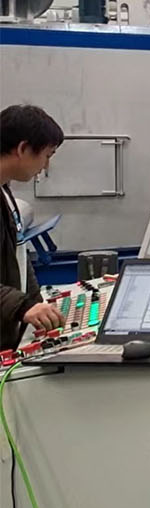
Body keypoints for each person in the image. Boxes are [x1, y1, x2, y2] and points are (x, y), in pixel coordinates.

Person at [1, 105, 66, 353]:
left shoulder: (4, 191)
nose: (46, 165)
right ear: (23, 149)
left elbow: (18, 253)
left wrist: (35, 303)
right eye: (47, 155)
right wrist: (23, 306)